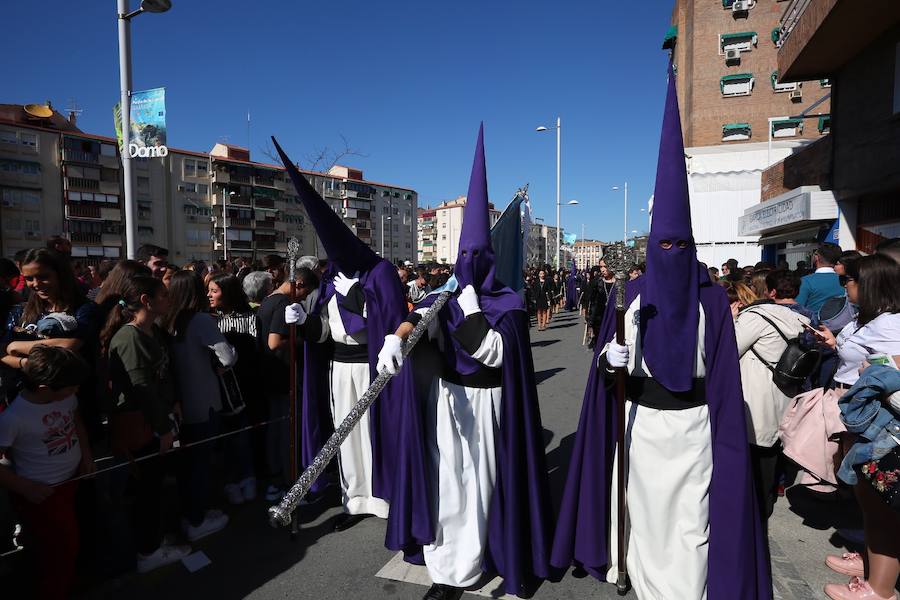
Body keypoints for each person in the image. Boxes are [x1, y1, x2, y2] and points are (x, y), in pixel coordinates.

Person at [551, 65, 770, 600]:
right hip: (641, 424)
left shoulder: (712, 300)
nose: (671, 256)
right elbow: (606, 361)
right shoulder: (628, 295)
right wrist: (609, 361)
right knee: (643, 513)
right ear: (651, 248)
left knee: (691, 523)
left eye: (680, 246)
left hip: (694, 429)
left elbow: (721, 376)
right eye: (662, 246)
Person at [378, 125, 552, 600]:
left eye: (478, 254)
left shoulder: (510, 301)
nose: (470, 261)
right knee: (446, 484)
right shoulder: (443, 292)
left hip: (489, 404)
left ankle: (476, 560)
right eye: (464, 254)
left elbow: (495, 352)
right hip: (446, 400)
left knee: (480, 486)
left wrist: (472, 312)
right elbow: (416, 317)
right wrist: (396, 339)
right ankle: (446, 569)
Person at [275, 136, 414, 532]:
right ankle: (354, 499)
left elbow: (383, 322)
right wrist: (302, 319)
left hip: (371, 367)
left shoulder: (381, 272)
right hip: (338, 367)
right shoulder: (333, 277)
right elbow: (325, 331)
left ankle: (384, 497)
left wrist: (356, 300)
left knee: (373, 433)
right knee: (345, 434)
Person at [812, 254, 900, 600]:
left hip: (881, 427)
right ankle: (871, 563)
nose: (844, 286)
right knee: (869, 500)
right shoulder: (870, 320)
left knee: (881, 505)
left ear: (870, 284)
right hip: (862, 422)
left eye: (847, 280)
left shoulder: (890, 325)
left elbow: (892, 373)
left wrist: (872, 375)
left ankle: (880, 589)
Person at [101, 275, 190, 572]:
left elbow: (163, 377)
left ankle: (153, 541)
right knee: (147, 492)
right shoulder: (130, 338)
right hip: (142, 425)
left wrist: (174, 402)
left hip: (159, 418)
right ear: (145, 300)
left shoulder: (152, 331)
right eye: (163, 295)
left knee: (155, 487)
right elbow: (142, 388)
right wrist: (163, 429)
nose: (168, 299)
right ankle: (148, 551)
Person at [0, 346, 92, 599]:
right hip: (43, 494)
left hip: (71, 480)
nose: (76, 392)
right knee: (61, 549)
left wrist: (86, 453)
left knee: (65, 545)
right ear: (44, 388)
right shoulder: (14, 418)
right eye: (71, 388)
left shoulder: (66, 396)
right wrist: (24, 487)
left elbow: (76, 420)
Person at [161, 270, 235, 541]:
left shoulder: (165, 321)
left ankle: (190, 514)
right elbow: (227, 357)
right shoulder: (201, 320)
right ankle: (197, 519)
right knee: (200, 465)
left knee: (186, 466)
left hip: (178, 404)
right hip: (204, 402)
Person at [733, 280, 811, 527]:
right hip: (786, 392)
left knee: (756, 454)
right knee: (772, 452)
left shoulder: (752, 318)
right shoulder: (792, 315)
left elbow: (728, 350)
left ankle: (754, 509)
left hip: (757, 395)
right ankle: (766, 501)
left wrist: (730, 321)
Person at [1, 249, 101, 441]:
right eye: (29, 278)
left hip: (71, 405)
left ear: (60, 274)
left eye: (43, 276)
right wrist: (25, 364)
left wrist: (15, 346)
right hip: (25, 402)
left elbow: (69, 344)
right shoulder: (19, 312)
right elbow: (1, 352)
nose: (36, 284)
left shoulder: (84, 310)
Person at [256, 265, 318, 502]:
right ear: (299, 284)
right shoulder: (283, 304)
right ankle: (287, 483)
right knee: (287, 433)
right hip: (283, 376)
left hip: (269, 375)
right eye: (305, 292)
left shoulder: (267, 300)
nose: (304, 298)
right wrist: (301, 340)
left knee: (275, 430)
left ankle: (274, 480)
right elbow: (274, 342)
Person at [208, 273, 259, 505]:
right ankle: (234, 481)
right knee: (228, 438)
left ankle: (246, 479)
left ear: (227, 292)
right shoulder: (210, 320)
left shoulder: (250, 317)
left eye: (214, 291)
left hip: (243, 387)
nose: (209, 295)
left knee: (241, 435)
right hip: (221, 388)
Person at [796, 243, 845, 312]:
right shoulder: (846, 280)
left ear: (816, 257)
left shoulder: (806, 281)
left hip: (813, 321)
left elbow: (797, 308)